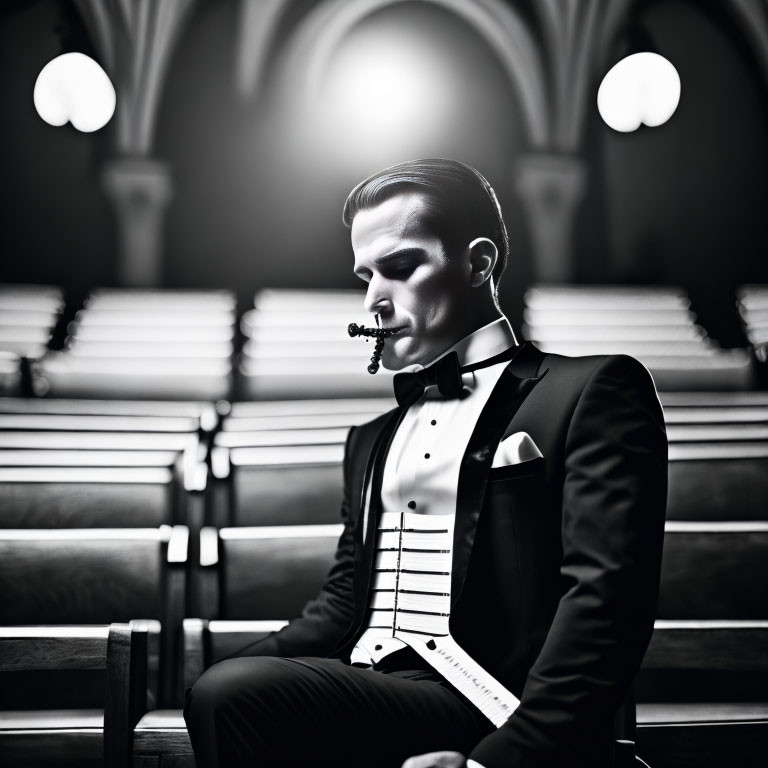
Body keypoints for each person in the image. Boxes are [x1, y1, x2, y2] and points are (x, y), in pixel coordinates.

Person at [184, 158, 668, 768]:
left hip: (499, 706)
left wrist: (501, 763)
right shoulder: (369, 439)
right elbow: (340, 607)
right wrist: (207, 673)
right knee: (225, 689)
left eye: (401, 267)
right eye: (365, 276)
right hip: (376, 683)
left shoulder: (593, 390)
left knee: (234, 698)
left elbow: (606, 603)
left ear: (478, 263)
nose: (373, 302)